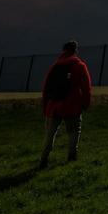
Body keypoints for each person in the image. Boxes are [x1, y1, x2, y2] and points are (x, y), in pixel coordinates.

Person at [39, 40, 92, 168]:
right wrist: (85, 104)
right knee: (74, 131)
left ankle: (43, 160)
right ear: (75, 51)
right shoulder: (79, 65)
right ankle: (71, 157)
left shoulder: (54, 66)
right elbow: (86, 88)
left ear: (63, 50)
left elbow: (46, 88)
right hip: (71, 105)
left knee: (50, 134)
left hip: (53, 106)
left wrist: (45, 107)